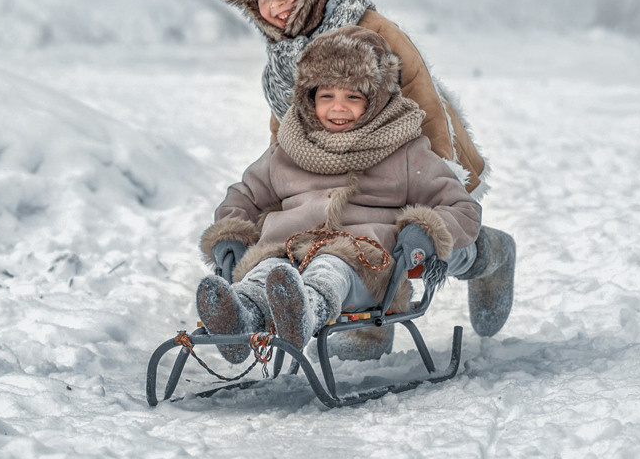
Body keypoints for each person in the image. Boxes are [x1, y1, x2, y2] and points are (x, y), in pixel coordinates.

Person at [214, 0, 514, 336]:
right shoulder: (286, 50)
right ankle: (264, 307)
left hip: (412, 146)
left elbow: (425, 106)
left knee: (424, 242)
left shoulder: (375, 31)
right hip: (332, 170)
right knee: (334, 239)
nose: (274, 6)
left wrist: (430, 204)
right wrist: (287, 196)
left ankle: (490, 254)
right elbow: (288, 128)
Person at [195, 28, 481, 361]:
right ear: (309, 97)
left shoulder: (404, 152)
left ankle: (306, 311)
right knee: (266, 270)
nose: (338, 108)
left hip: (363, 260)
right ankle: (241, 318)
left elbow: (461, 206)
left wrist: (427, 229)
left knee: (330, 268)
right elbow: (243, 197)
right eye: (326, 96)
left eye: (353, 97)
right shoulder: (287, 150)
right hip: (286, 251)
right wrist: (230, 233)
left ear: (376, 99)